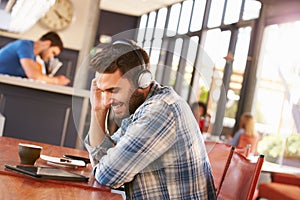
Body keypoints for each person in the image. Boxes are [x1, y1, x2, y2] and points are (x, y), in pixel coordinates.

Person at [84, 40, 216, 199]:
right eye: (103, 91)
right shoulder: (138, 109)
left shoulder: (160, 111)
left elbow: (107, 176)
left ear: (142, 82)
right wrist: (98, 110)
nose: (107, 100)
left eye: (113, 90)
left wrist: (104, 166)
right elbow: (103, 161)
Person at [0, 31, 70, 85]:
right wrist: (56, 80)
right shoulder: (25, 46)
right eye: (53, 52)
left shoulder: (32, 57)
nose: (51, 57)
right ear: (47, 43)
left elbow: (38, 76)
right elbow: (34, 76)